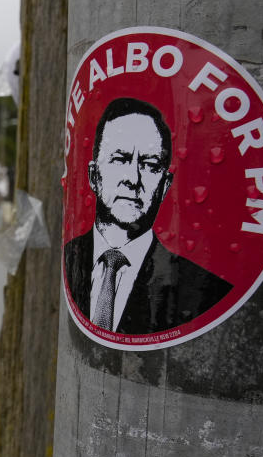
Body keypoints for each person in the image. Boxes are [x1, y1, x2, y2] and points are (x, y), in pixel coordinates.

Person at [64, 98, 233, 334]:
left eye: (150, 164)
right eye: (120, 159)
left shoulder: (204, 291)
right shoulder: (65, 260)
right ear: (94, 176)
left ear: (164, 185)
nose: (133, 179)